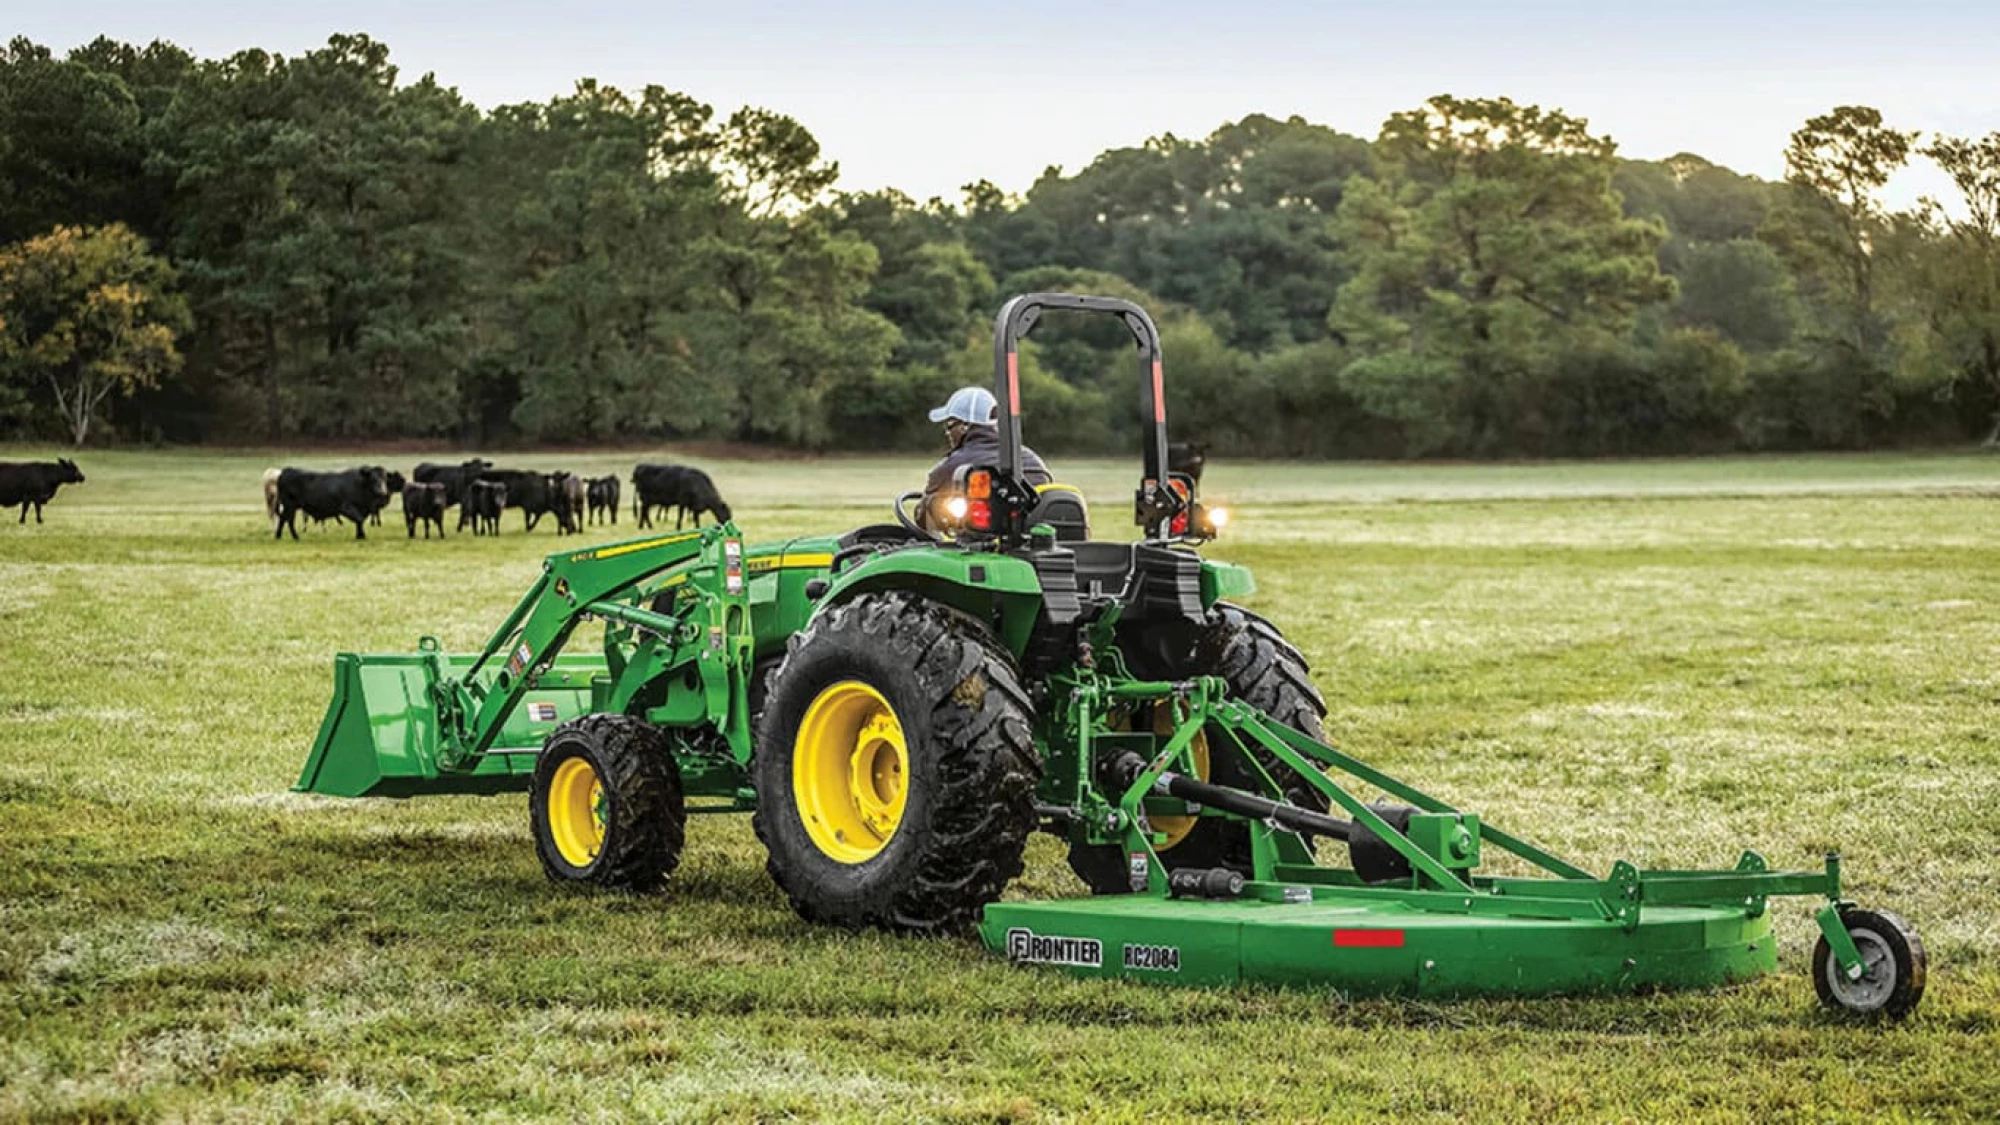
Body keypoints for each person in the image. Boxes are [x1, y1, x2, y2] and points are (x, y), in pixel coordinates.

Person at [920, 386, 1052, 529]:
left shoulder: (951, 466)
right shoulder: (1033, 460)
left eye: (949, 425)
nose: (947, 433)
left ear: (965, 426)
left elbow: (925, 516)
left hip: (985, 546)